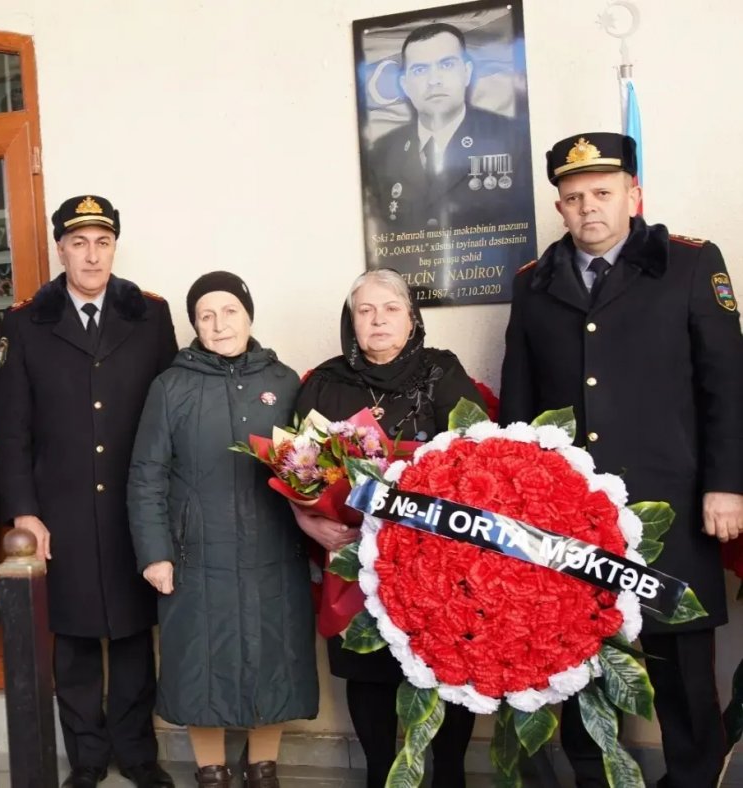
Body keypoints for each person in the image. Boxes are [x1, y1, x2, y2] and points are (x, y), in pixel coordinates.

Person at [499, 132, 743, 788]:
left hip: (672, 499)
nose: (589, 207)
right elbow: (519, 402)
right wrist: (517, 507)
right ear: (559, 206)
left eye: (602, 193)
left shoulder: (689, 264)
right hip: (570, 515)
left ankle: (693, 778)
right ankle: (597, 778)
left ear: (634, 196)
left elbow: (727, 385)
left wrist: (726, 485)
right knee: (580, 656)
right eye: (574, 197)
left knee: (680, 660)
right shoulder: (533, 283)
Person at [0, 196, 177, 788]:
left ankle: (138, 754)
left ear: (114, 247)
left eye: (102, 242)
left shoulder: (150, 315)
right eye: (79, 243)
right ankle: (87, 759)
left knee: (132, 633)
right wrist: (25, 512)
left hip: (132, 505)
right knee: (72, 637)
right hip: (61, 508)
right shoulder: (26, 322)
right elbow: (12, 427)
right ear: (61, 250)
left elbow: (170, 415)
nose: (92, 255)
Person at [294, 268, 486, 788]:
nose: (378, 320)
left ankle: (449, 776)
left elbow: (477, 460)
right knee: (369, 666)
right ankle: (380, 774)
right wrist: (307, 519)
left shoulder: (442, 372)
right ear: (351, 322)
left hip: (433, 555)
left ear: (411, 318)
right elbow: (296, 467)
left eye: (390, 309)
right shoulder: (325, 382)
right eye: (365, 311)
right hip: (355, 555)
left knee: (442, 666)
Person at [127, 272, 319, 788]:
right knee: (200, 661)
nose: (219, 324)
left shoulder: (283, 381)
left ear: (248, 315)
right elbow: (146, 474)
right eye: (206, 315)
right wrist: (155, 553)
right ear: (194, 324)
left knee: (274, 655)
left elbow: (310, 466)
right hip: (196, 554)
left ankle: (263, 767)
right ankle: (211, 771)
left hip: (273, 549)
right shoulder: (171, 386)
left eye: (230, 311)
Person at [365, 22, 531, 230]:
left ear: (467, 73)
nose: (434, 80)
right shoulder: (382, 153)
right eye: (420, 70)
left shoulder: (513, 140)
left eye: (446, 65)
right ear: (405, 85)